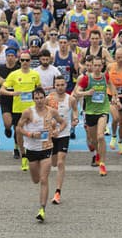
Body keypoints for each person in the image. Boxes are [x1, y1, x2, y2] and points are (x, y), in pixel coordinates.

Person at [17, 87, 67, 222]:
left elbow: (63, 123)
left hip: (46, 149)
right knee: (36, 180)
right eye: (36, 98)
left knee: (44, 179)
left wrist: (57, 130)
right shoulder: (28, 112)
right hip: (32, 150)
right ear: (33, 99)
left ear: (45, 98)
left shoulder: (52, 111)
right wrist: (30, 134)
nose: (39, 101)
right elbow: (19, 127)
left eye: (41, 98)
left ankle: (42, 209)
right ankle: (30, 167)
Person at [74, 56, 119, 176]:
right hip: (90, 112)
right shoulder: (86, 79)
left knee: (100, 137)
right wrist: (86, 93)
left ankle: (102, 164)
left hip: (103, 110)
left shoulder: (105, 76)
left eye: (100, 65)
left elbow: (111, 85)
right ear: (91, 66)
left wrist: (115, 97)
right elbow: (76, 93)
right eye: (95, 65)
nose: (98, 68)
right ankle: (98, 153)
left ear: (102, 66)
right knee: (93, 140)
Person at [0, 51, 42, 170]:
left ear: (30, 62)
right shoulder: (13, 74)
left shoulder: (35, 74)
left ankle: (32, 155)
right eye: (22, 60)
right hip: (18, 109)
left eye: (27, 60)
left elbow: (39, 89)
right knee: (19, 133)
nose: (24, 62)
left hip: (32, 109)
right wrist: (13, 93)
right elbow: (2, 90)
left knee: (33, 132)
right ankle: (23, 155)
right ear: (19, 61)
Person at [46, 76, 78, 205]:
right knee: (53, 163)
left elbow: (75, 110)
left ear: (66, 85)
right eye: (57, 85)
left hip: (64, 133)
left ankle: (58, 192)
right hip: (52, 134)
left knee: (60, 162)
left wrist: (75, 119)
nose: (60, 87)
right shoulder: (49, 99)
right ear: (54, 86)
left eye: (62, 85)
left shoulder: (71, 99)